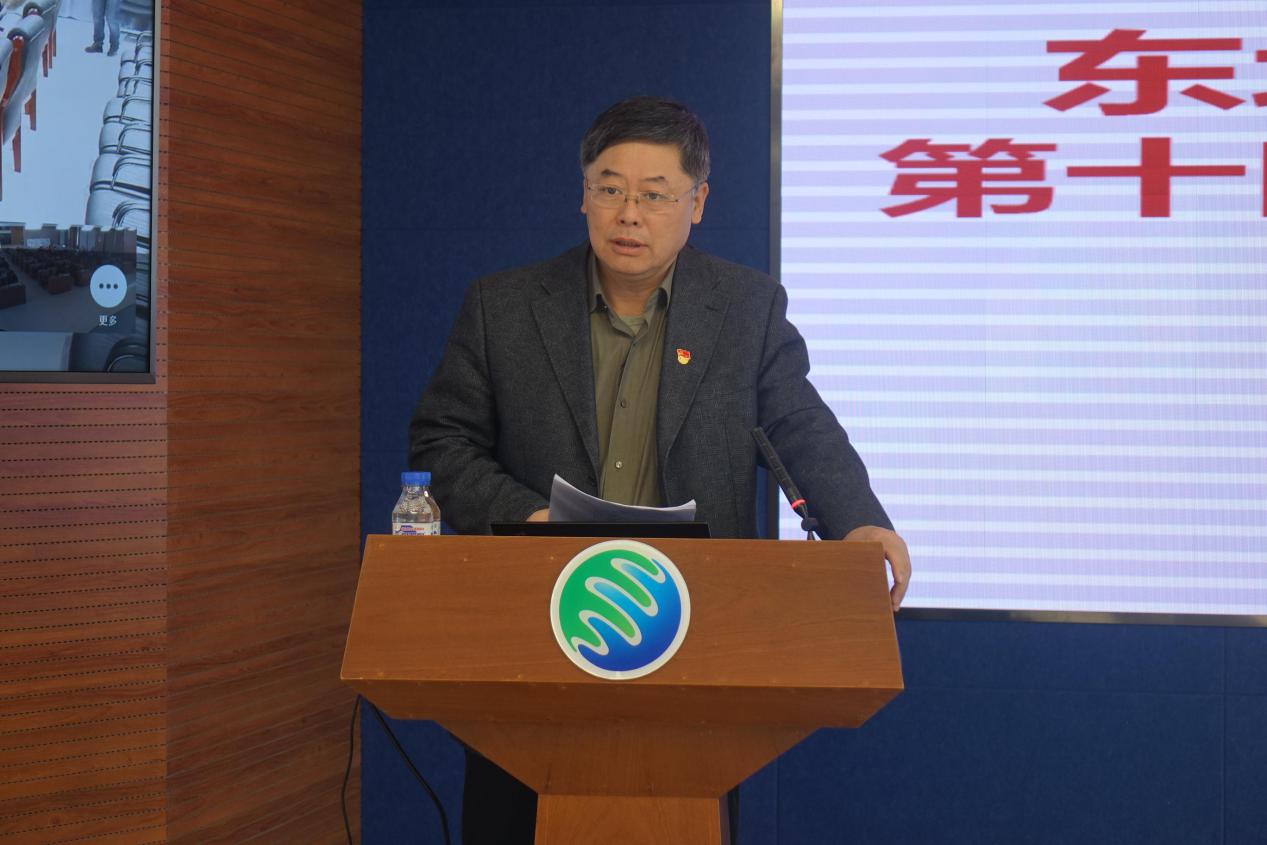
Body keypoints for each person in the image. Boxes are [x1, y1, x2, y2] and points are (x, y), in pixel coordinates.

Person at [409, 95, 911, 844]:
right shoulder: (503, 307)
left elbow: (799, 425)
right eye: (610, 189)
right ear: (583, 193)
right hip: (536, 618)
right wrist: (529, 517)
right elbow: (441, 442)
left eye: (654, 195)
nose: (628, 215)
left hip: (693, 630)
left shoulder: (744, 309)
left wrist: (859, 522)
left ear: (697, 203)